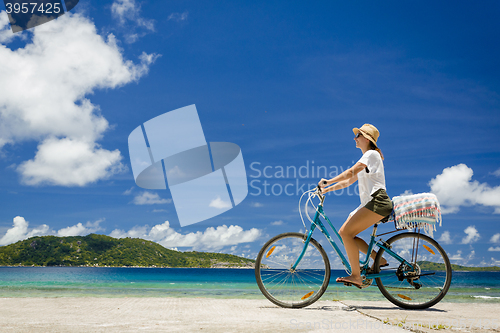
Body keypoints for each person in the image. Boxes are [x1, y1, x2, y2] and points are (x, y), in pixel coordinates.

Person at [318, 123, 393, 288]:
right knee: (345, 233)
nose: (355, 138)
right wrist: (326, 190)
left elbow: (351, 171)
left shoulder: (371, 154)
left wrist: (328, 180)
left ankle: (356, 276)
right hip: (370, 203)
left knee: (346, 233)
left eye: (357, 135)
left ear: (366, 139)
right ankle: (378, 259)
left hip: (377, 201)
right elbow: (348, 181)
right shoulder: (369, 158)